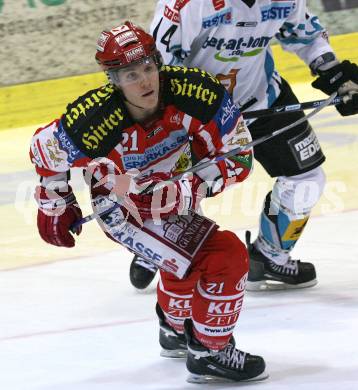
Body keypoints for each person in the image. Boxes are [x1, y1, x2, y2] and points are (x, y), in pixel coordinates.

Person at [30, 21, 268, 383]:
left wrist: (190, 186)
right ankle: (209, 352)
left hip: (179, 195)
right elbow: (42, 150)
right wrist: (57, 204)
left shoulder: (196, 92)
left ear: (158, 63)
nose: (145, 82)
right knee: (226, 256)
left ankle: (174, 330)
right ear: (113, 79)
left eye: (148, 68)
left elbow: (240, 154)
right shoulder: (94, 120)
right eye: (130, 75)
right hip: (123, 209)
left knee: (183, 261)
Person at [129, 0, 358, 291]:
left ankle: (269, 255)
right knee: (182, 185)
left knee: (306, 180)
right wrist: (183, 113)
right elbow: (158, 65)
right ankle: (160, 241)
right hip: (198, 108)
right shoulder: (188, 4)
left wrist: (334, 73)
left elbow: (305, 34)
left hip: (262, 97)